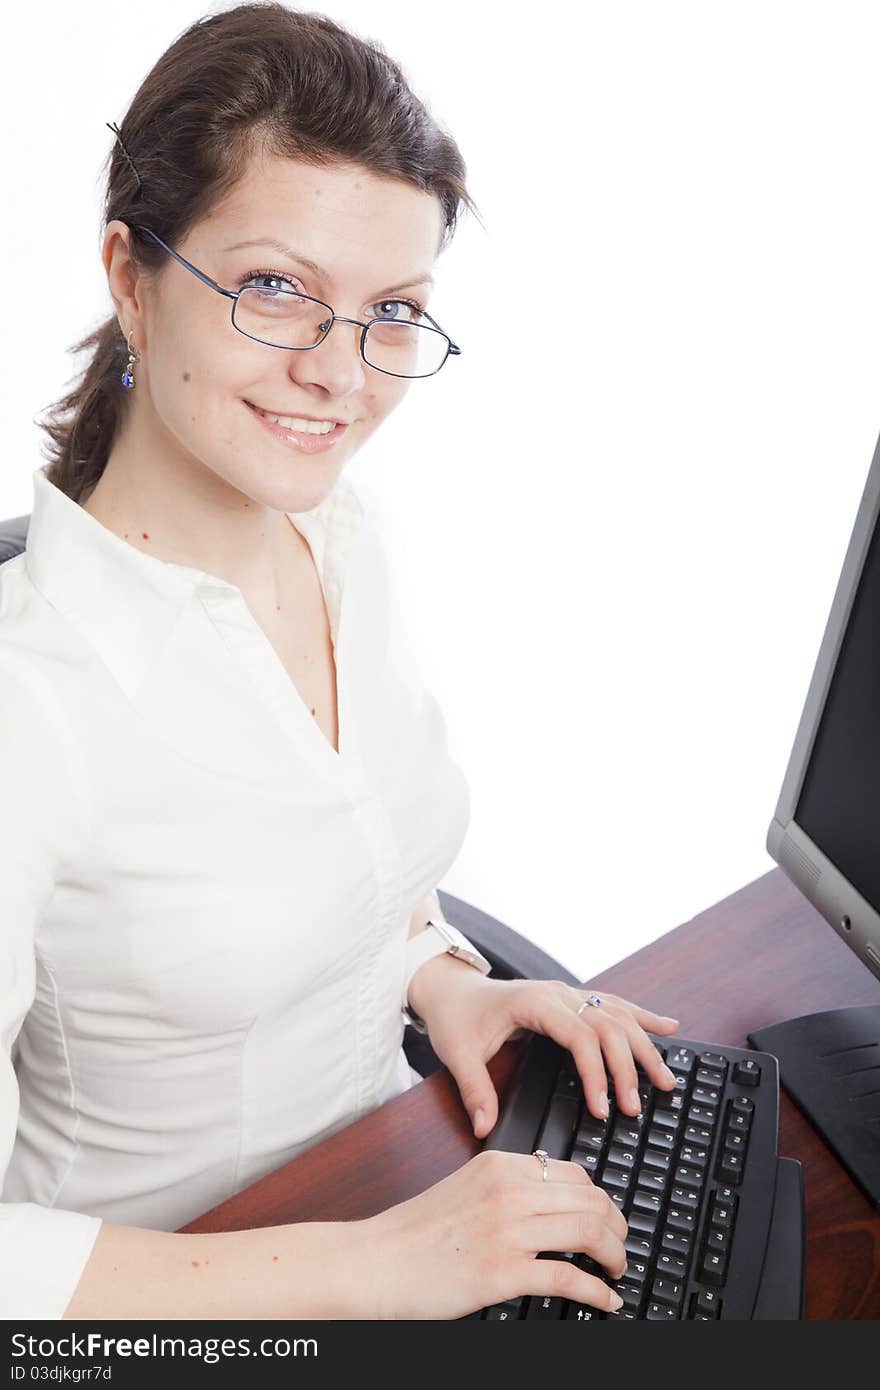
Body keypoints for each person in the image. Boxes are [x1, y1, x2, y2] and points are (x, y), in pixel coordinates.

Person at [0, 3, 681, 1321]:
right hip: (172, 1309)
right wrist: (376, 1266)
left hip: (397, 1177)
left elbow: (341, 858)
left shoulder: (339, 534)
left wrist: (440, 977)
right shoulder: (30, 708)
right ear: (132, 274)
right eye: (275, 288)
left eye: (392, 313)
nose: (339, 374)